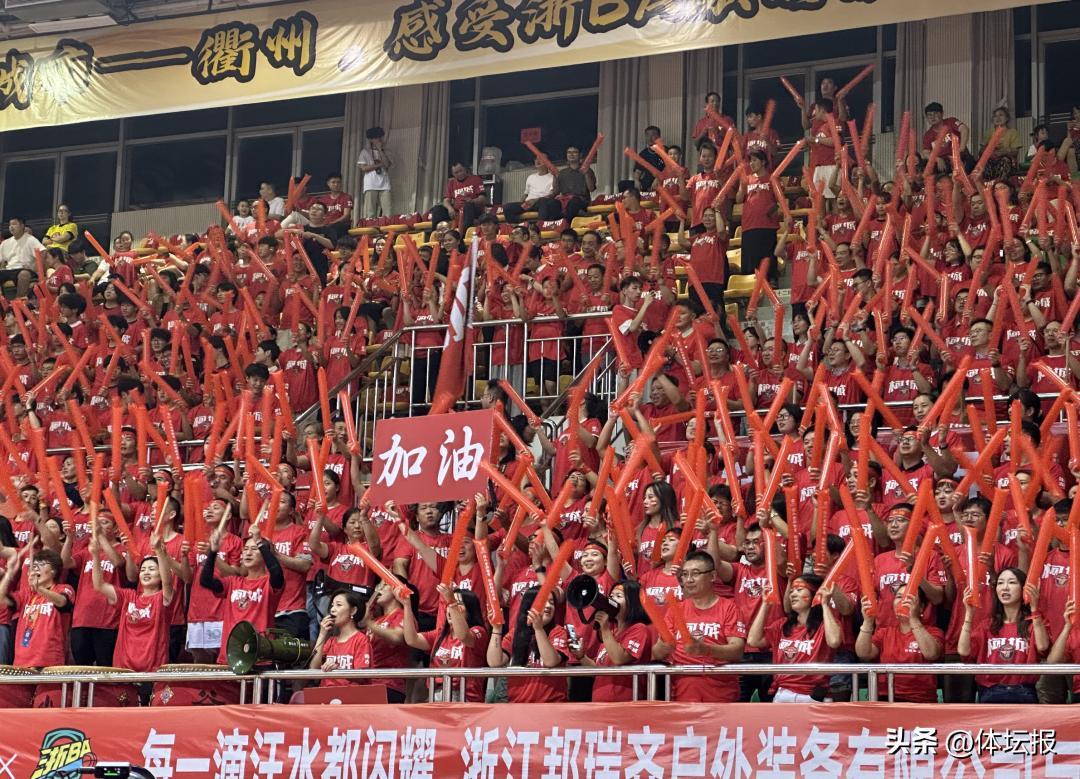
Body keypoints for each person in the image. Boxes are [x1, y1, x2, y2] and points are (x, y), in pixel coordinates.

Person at [652, 550, 746, 702]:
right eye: (685, 574)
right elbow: (657, 653)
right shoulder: (675, 610)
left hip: (720, 695)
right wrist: (664, 647)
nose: (689, 580)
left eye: (695, 574)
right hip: (682, 693)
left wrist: (706, 650)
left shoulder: (729, 608)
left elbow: (737, 650)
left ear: (713, 576)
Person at [199, 521, 285, 666]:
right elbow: (205, 581)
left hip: (259, 656)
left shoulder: (268, 584)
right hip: (230, 656)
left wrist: (260, 541)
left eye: (254, 549)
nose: (248, 553)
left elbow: (277, 573)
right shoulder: (233, 582)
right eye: (245, 549)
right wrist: (213, 552)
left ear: (265, 554)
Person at [958, 567, 1049, 703]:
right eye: (1000, 583)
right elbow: (963, 651)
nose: (1005, 588)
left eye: (1012, 582)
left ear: (1024, 589)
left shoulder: (1034, 623)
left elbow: (1043, 647)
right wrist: (969, 614)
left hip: (1024, 691)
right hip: (990, 691)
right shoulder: (987, 625)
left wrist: (1034, 608)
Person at [748, 573, 842, 703]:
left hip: (812, 696)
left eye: (799, 590)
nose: (792, 594)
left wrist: (824, 604)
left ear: (815, 594)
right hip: (782, 694)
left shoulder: (825, 625)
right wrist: (765, 604)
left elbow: (834, 641)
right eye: (791, 591)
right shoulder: (782, 625)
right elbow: (753, 640)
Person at [90, 531, 174, 672]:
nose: (146, 572)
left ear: (161, 574)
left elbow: (168, 583)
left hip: (152, 671)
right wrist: (95, 555)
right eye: (143, 569)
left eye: (152, 569)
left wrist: (159, 551)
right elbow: (99, 585)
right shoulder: (128, 597)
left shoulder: (162, 598)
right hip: (124, 670)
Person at [855, 586, 944, 703]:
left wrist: (913, 619)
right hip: (886, 699)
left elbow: (931, 654)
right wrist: (867, 622)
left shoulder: (934, 632)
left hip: (920, 701)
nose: (903, 601)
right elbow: (863, 653)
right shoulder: (884, 633)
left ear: (922, 607)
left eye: (910, 598)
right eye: (899, 597)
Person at [570, 579, 653, 701]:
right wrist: (582, 657)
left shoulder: (640, 629)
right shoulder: (612, 632)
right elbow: (600, 669)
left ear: (634, 602)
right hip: (601, 703)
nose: (613, 600)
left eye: (619, 596)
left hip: (625, 704)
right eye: (611, 596)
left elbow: (619, 658)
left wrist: (604, 629)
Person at [487, 586, 570, 702]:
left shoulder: (558, 632)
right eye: (543, 601)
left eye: (552, 602)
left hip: (551, 705)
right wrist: (496, 629)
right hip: (518, 705)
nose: (548, 606)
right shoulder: (516, 633)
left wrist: (538, 629)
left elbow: (551, 662)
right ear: (529, 606)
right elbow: (494, 662)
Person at [309, 591, 372, 686]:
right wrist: (322, 634)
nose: (332, 609)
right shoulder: (331, 641)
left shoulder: (361, 640)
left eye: (338, 605)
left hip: (349, 693)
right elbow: (314, 668)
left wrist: (338, 670)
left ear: (353, 611)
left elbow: (362, 676)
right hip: (326, 693)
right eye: (332, 605)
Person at [430, 162, 486, 229]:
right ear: (453, 174)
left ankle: (464, 232)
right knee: (437, 209)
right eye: (456, 173)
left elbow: (482, 198)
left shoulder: (476, 179)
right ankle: (435, 232)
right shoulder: (451, 183)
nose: (459, 174)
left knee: (468, 206)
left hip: (472, 208)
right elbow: (446, 201)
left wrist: (472, 201)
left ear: (465, 169)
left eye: (460, 171)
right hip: (456, 211)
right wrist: (450, 208)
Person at [502, 157, 559, 223]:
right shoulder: (531, 177)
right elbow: (525, 194)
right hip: (528, 204)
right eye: (536, 159)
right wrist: (521, 203)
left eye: (540, 158)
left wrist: (535, 200)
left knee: (543, 202)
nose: (537, 161)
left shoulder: (552, 177)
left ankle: (539, 226)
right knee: (507, 207)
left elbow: (553, 194)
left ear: (547, 162)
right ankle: (521, 225)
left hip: (541, 203)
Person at [0, 216, 44, 298]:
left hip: (25, 269)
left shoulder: (31, 239)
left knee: (24, 274)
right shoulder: (5, 243)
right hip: (9, 270)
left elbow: (43, 252)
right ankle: (3, 301)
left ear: (22, 226)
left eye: (14, 224)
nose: (11, 227)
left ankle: (19, 301)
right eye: (10, 225)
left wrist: (35, 268)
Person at [357, 127, 393, 219]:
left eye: (380, 137)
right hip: (370, 184)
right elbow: (363, 168)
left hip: (384, 184)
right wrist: (379, 165)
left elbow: (387, 164)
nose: (379, 139)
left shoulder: (386, 151)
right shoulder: (365, 152)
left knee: (388, 210)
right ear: (371, 139)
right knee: (370, 211)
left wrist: (380, 150)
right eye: (376, 137)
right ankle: (370, 227)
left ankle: (387, 226)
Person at [554, 146, 596, 222]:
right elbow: (556, 192)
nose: (571, 154)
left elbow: (591, 189)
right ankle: (542, 226)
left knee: (573, 202)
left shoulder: (588, 170)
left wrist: (586, 173)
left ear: (579, 155)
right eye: (569, 152)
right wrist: (555, 177)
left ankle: (565, 224)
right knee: (549, 203)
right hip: (565, 200)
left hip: (581, 200)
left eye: (574, 152)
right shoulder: (562, 173)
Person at [634, 125, 664, 191]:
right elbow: (638, 171)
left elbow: (668, 169)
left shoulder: (665, 151)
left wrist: (658, 178)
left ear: (659, 137)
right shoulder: (643, 153)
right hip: (646, 182)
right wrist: (636, 180)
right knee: (623, 184)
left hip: (661, 181)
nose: (650, 138)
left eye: (653, 134)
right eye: (647, 135)